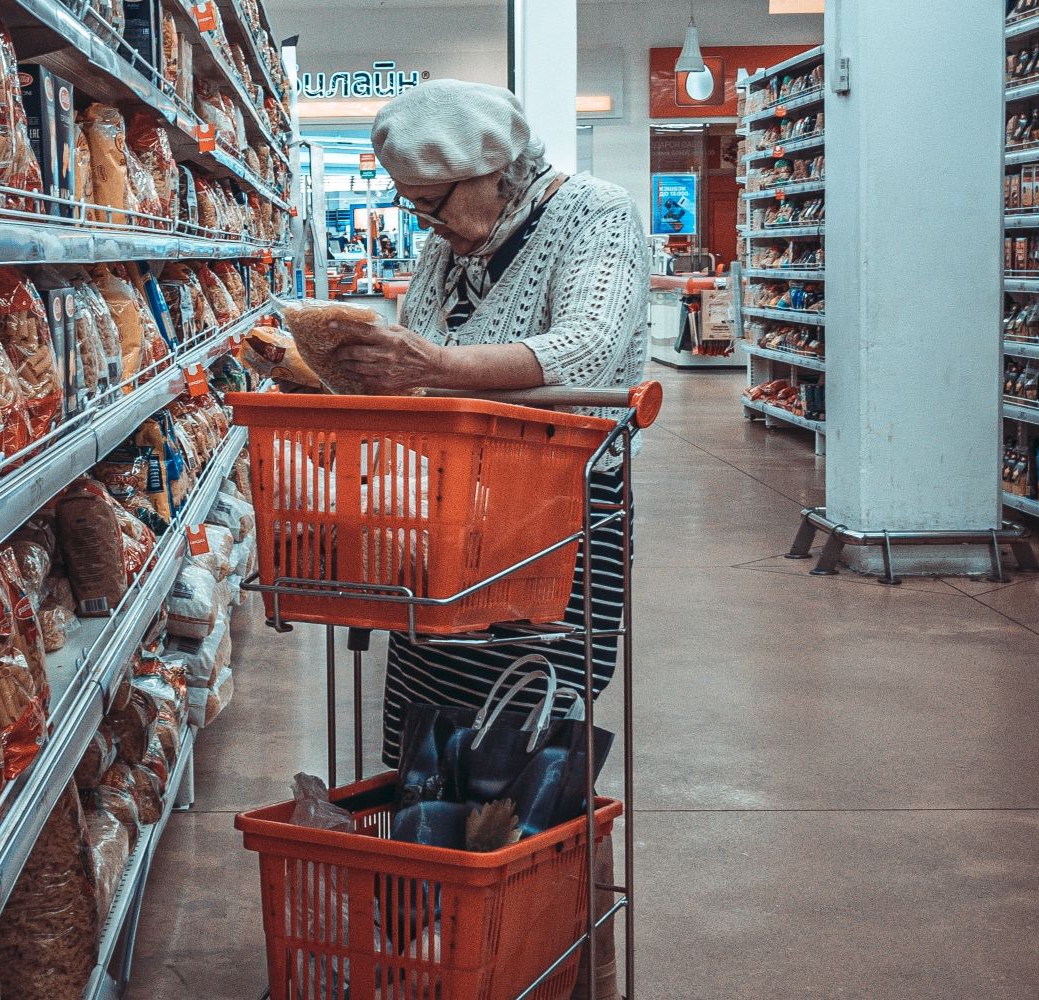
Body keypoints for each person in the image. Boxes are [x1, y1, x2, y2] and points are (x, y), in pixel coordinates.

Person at [328, 79, 647, 999]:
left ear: (494, 174)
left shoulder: (596, 215)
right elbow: (424, 349)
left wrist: (432, 365)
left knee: (524, 731)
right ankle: (435, 948)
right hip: (442, 532)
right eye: (411, 204)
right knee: (424, 734)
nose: (423, 224)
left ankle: (539, 952)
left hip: (555, 531)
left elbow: (587, 350)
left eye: (431, 203)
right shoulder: (447, 246)